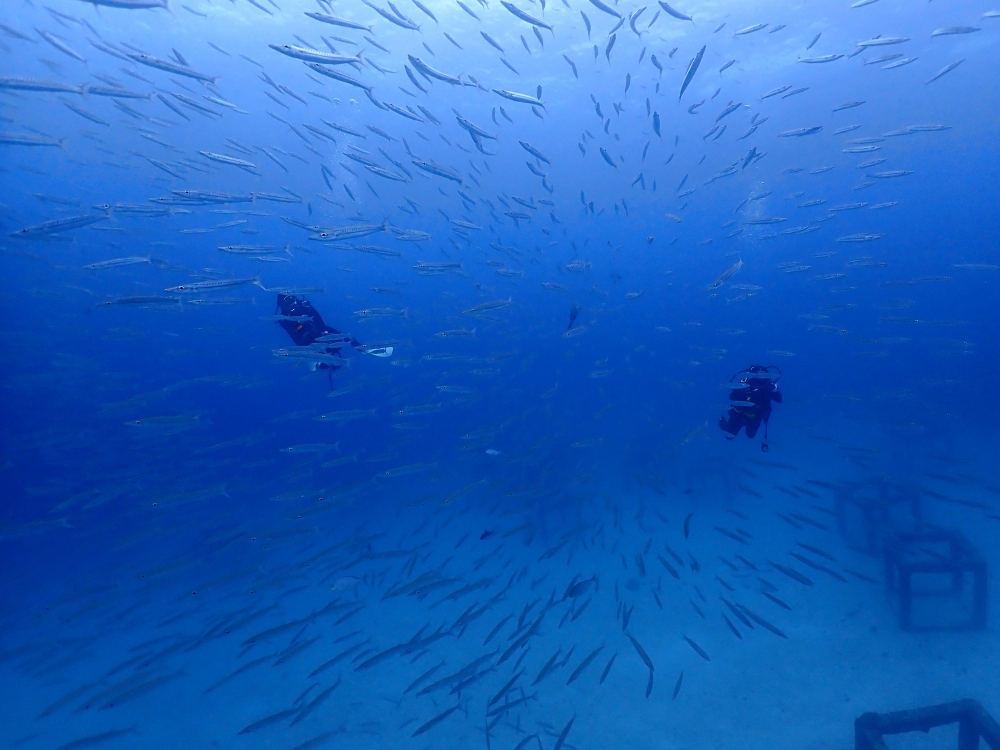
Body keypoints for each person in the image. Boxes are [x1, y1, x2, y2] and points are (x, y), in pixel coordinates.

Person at [274, 294, 391, 381]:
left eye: (293, 297)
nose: (293, 301)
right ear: (281, 304)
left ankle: (364, 349)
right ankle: (324, 362)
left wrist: (308, 312)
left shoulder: (304, 306)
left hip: (321, 331)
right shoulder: (284, 320)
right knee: (315, 364)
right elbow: (296, 340)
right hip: (308, 343)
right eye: (288, 299)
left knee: (347, 337)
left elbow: (320, 323)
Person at [719, 365, 782, 451]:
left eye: (763, 375)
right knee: (729, 436)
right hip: (739, 415)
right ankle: (722, 421)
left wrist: (775, 390)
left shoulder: (768, 386)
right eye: (758, 374)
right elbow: (732, 396)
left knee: (750, 435)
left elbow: (779, 400)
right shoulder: (746, 383)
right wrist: (742, 389)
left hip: (756, 417)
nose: (761, 377)